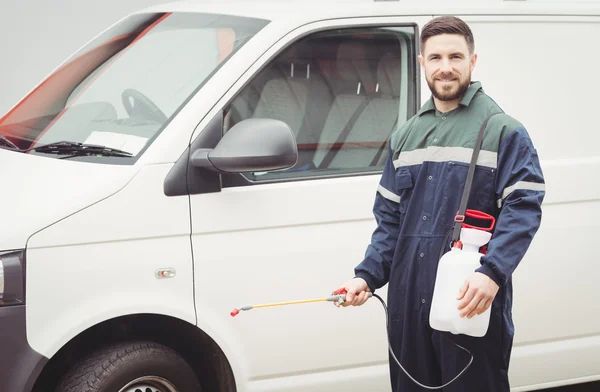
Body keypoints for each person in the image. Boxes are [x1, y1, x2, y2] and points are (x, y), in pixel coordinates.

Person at [333, 16, 546, 392]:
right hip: (407, 300)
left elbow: (523, 207)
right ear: (422, 64)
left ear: (472, 61)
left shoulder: (503, 130)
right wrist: (365, 276)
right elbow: (390, 224)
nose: (445, 67)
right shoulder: (406, 135)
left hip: (467, 296)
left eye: (455, 56)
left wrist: (492, 273)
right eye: (435, 57)